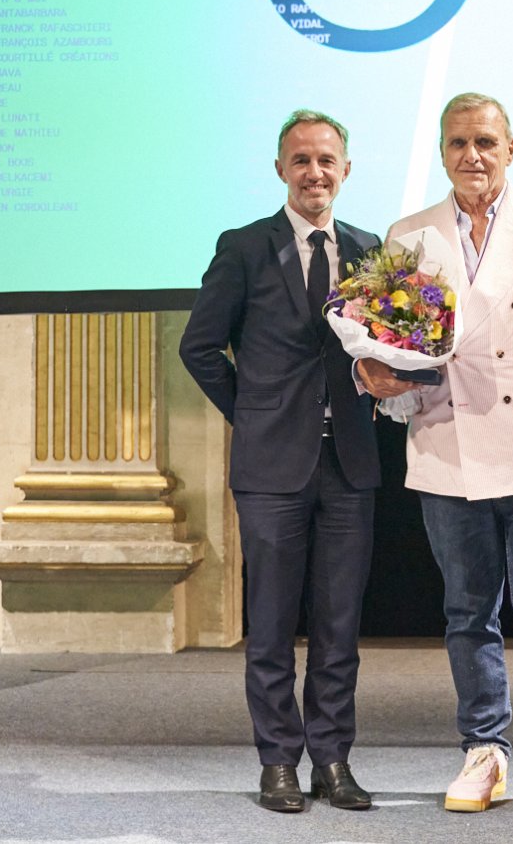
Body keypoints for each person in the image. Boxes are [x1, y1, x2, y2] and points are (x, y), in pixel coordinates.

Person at [357, 92, 513, 818]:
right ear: (441, 151)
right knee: (467, 612)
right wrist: (373, 372)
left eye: (486, 142)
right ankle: (484, 749)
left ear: (511, 149)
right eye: (459, 142)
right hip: (447, 444)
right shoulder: (409, 234)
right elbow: (389, 341)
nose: (473, 155)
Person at [179, 110, 381, 814]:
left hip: (349, 463)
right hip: (270, 469)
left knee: (339, 628)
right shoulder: (243, 247)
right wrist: (252, 411)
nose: (314, 172)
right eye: (301, 160)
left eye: (326, 160)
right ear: (280, 170)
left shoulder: (370, 251)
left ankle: (333, 760)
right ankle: (278, 763)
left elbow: (380, 346)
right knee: (269, 624)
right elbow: (199, 347)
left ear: (345, 169)